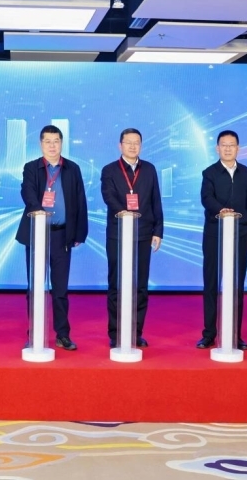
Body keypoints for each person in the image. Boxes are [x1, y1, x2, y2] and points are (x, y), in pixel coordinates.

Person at [16, 125, 88, 351]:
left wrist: (80, 232)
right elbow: (27, 192)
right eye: (47, 141)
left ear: (62, 143)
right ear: (40, 144)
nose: (52, 145)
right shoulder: (31, 167)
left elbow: (80, 200)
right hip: (37, 233)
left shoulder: (72, 168)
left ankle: (62, 334)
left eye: (56, 141)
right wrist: (38, 210)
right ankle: (34, 333)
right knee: (35, 287)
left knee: (60, 290)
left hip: (61, 235)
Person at [100, 128, 163, 348]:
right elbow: (108, 196)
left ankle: (136, 332)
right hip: (118, 233)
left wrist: (158, 230)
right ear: (120, 145)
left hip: (143, 233)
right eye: (128, 142)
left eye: (137, 142)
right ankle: (116, 332)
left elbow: (156, 200)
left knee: (141, 285)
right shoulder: (109, 170)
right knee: (116, 284)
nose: (133, 146)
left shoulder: (149, 169)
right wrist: (124, 212)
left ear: (141, 146)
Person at [197, 130, 247, 351]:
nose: (228, 149)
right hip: (215, 233)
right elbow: (206, 198)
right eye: (224, 145)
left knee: (237, 285)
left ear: (238, 148)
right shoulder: (209, 172)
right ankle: (209, 334)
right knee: (211, 283)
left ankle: (235, 334)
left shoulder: (245, 173)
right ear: (217, 148)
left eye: (232, 145)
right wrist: (221, 211)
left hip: (240, 233)